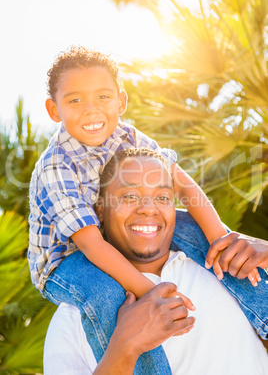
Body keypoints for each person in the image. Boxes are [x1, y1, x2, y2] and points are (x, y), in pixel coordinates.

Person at [43, 148, 268, 374]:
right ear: (99, 211)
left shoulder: (223, 267)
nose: (149, 209)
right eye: (130, 196)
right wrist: (125, 347)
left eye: (162, 197)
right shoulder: (77, 314)